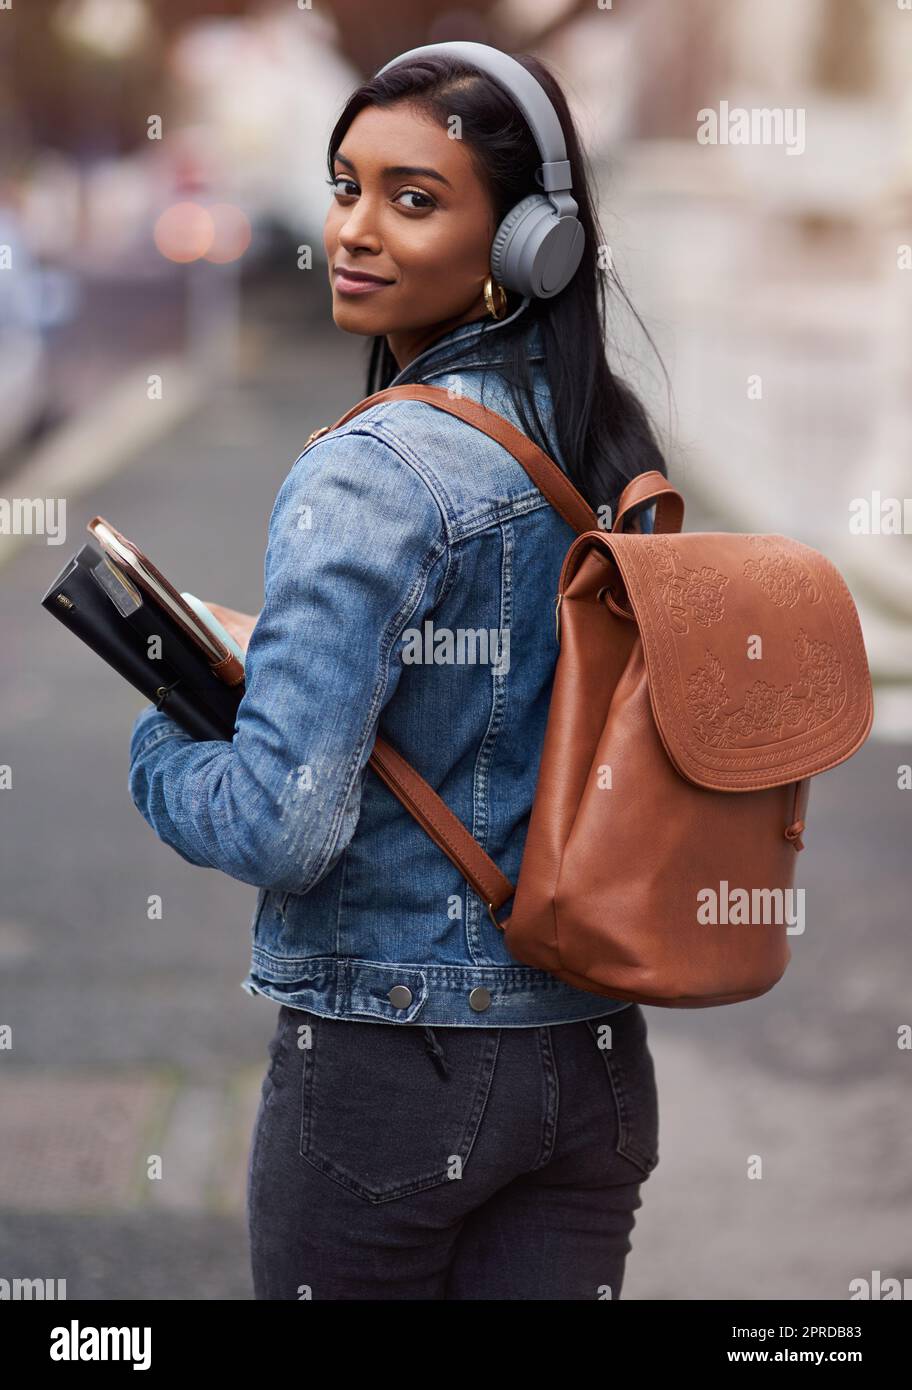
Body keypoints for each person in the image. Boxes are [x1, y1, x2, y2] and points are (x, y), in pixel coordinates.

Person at [128, 42, 667, 1301]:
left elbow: (280, 823)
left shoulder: (370, 469)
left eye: (414, 199)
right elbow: (529, 697)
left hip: (389, 1068)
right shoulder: (606, 437)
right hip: (590, 1061)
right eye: (345, 186)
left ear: (531, 241)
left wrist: (163, 734)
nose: (355, 230)